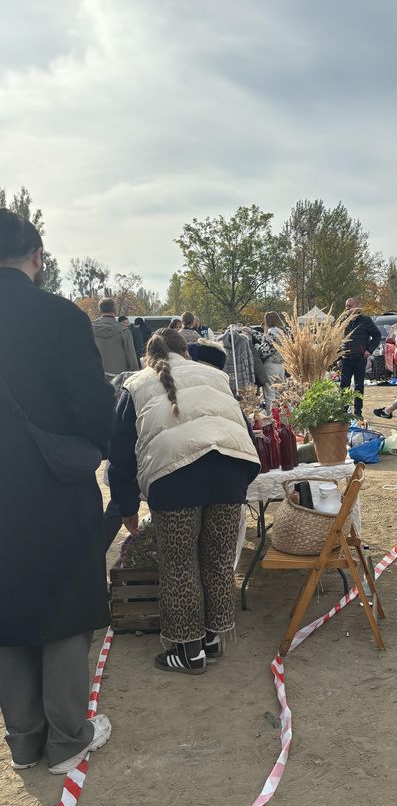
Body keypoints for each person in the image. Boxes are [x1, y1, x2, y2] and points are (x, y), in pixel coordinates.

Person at [0, 208, 115, 774]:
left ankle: (23, 740)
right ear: (37, 258)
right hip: (51, 483)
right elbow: (95, 406)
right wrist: (89, 447)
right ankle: (68, 740)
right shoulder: (61, 317)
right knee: (65, 602)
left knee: (5, 603)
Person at [108, 328, 260, 674]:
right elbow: (244, 432)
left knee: (179, 565)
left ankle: (189, 652)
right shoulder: (216, 376)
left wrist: (126, 506)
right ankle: (211, 638)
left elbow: (119, 453)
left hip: (174, 478)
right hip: (229, 470)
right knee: (218, 559)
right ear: (185, 352)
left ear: (148, 357)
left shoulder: (135, 386)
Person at [339, 297, 381, 418]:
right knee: (344, 386)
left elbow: (377, 336)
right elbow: (337, 338)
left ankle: (358, 412)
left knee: (358, 386)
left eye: (350, 306)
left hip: (360, 358)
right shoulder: (343, 321)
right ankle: (343, 410)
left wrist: (369, 350)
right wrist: (338, 354)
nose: (347, 308)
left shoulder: (365, 320)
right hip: (346, 359)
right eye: (346, 306)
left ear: (357, 307)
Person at [92, 298, 140, 376]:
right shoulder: (124, 331)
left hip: (96, 377)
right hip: (119, 379)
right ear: (115, 310)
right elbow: (131, 358)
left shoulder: (89, 330)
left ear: (99, 311)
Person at [258, 311, 285, 410]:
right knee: (279, 394)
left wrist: (257, 347)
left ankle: (273, 420)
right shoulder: (283, 332)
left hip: (270, 365)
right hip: (281, 366)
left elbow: (264, 351)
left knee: (270, 395)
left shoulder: (271, 332)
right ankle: (282, 419)